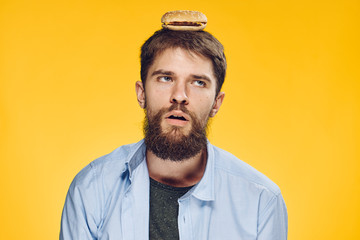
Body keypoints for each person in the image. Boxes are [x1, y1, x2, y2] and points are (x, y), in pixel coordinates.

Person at [60, 20, 288, 240]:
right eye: (166, 78)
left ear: (216, 103)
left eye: (198, 82)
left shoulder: (261, 201)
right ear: (141, 93)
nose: (180, 95)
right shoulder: (91, 188)